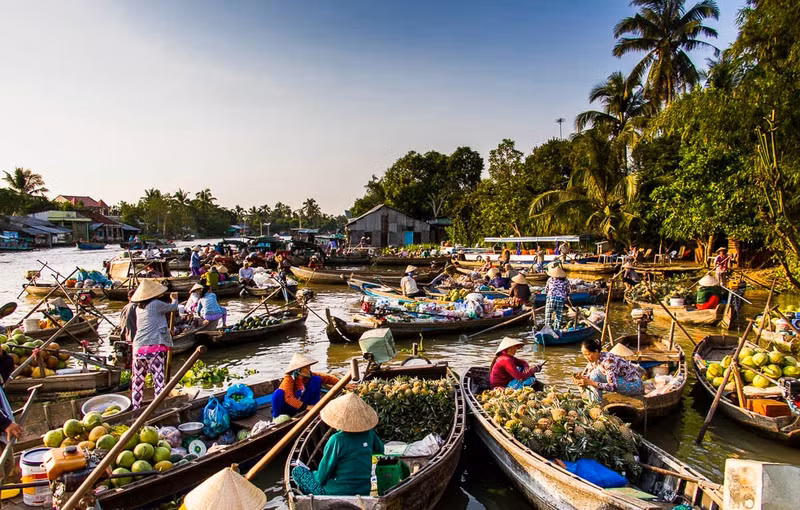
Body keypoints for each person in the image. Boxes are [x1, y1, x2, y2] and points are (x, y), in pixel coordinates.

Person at [291, 392, 383, 496]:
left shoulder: (336, 440)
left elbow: (322, 477)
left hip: (336, 492)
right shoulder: (369, 433)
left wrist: (314, 473)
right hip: (363, 491)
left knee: (297, 471)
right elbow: (380, 449)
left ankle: (314, 498)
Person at [130, 280, 178, 409]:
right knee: (159, 380)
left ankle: (136, 407)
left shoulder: (139, 308)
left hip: (138, 349)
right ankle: (158, 406)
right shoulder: (156, 304)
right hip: (153, 348)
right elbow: (173, 307)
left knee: (138, 381)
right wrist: (174, 299)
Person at [273, 353, 339, 418]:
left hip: (301, 403)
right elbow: (289, 398)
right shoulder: (289, 378)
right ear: (298, 370)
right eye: (306, 368)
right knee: (278, 393)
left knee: (316, 379)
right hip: (288, 407)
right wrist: (307, 407)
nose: (309, 369)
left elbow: (326, 377)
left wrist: (342, 383)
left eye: (309, 367)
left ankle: (314, 406)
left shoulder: (308, 376)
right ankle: (276, 417)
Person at [576, 338, 645, 397]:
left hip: (635, 386)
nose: (586, 358)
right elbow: (589, 376)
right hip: (621, 381)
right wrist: (582, 378)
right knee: (593, 376)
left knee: (595, 375)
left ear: (596, 351)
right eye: (584, 355)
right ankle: (594, 403)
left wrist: (590, 382)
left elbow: (613, 386)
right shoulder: (594, 361)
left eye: (588, 354)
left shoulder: (609, 362)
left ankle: (596, 405)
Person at [544, 264, 570, 330]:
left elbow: (546, 290)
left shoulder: (550, 279)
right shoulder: (565, 281)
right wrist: (566, 297)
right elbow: (567, 291)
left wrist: (548, 295)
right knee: (558, 316)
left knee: (548, 315)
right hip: (560, 299)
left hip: (551, 298)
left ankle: (548, 329)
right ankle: (556, 329)